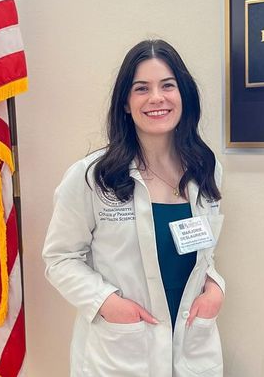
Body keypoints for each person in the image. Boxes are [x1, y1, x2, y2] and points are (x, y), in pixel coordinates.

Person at [42, 39, 226, 376]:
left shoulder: (205, 168)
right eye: (142, 88)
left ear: (183, 94)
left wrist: (215, 286)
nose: (157, 98)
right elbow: (59, 258)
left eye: (167, 85)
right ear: (126, 103)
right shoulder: (93, 177)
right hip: (123, 350)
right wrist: (107, 303)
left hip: (191, 344)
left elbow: (204, 250)